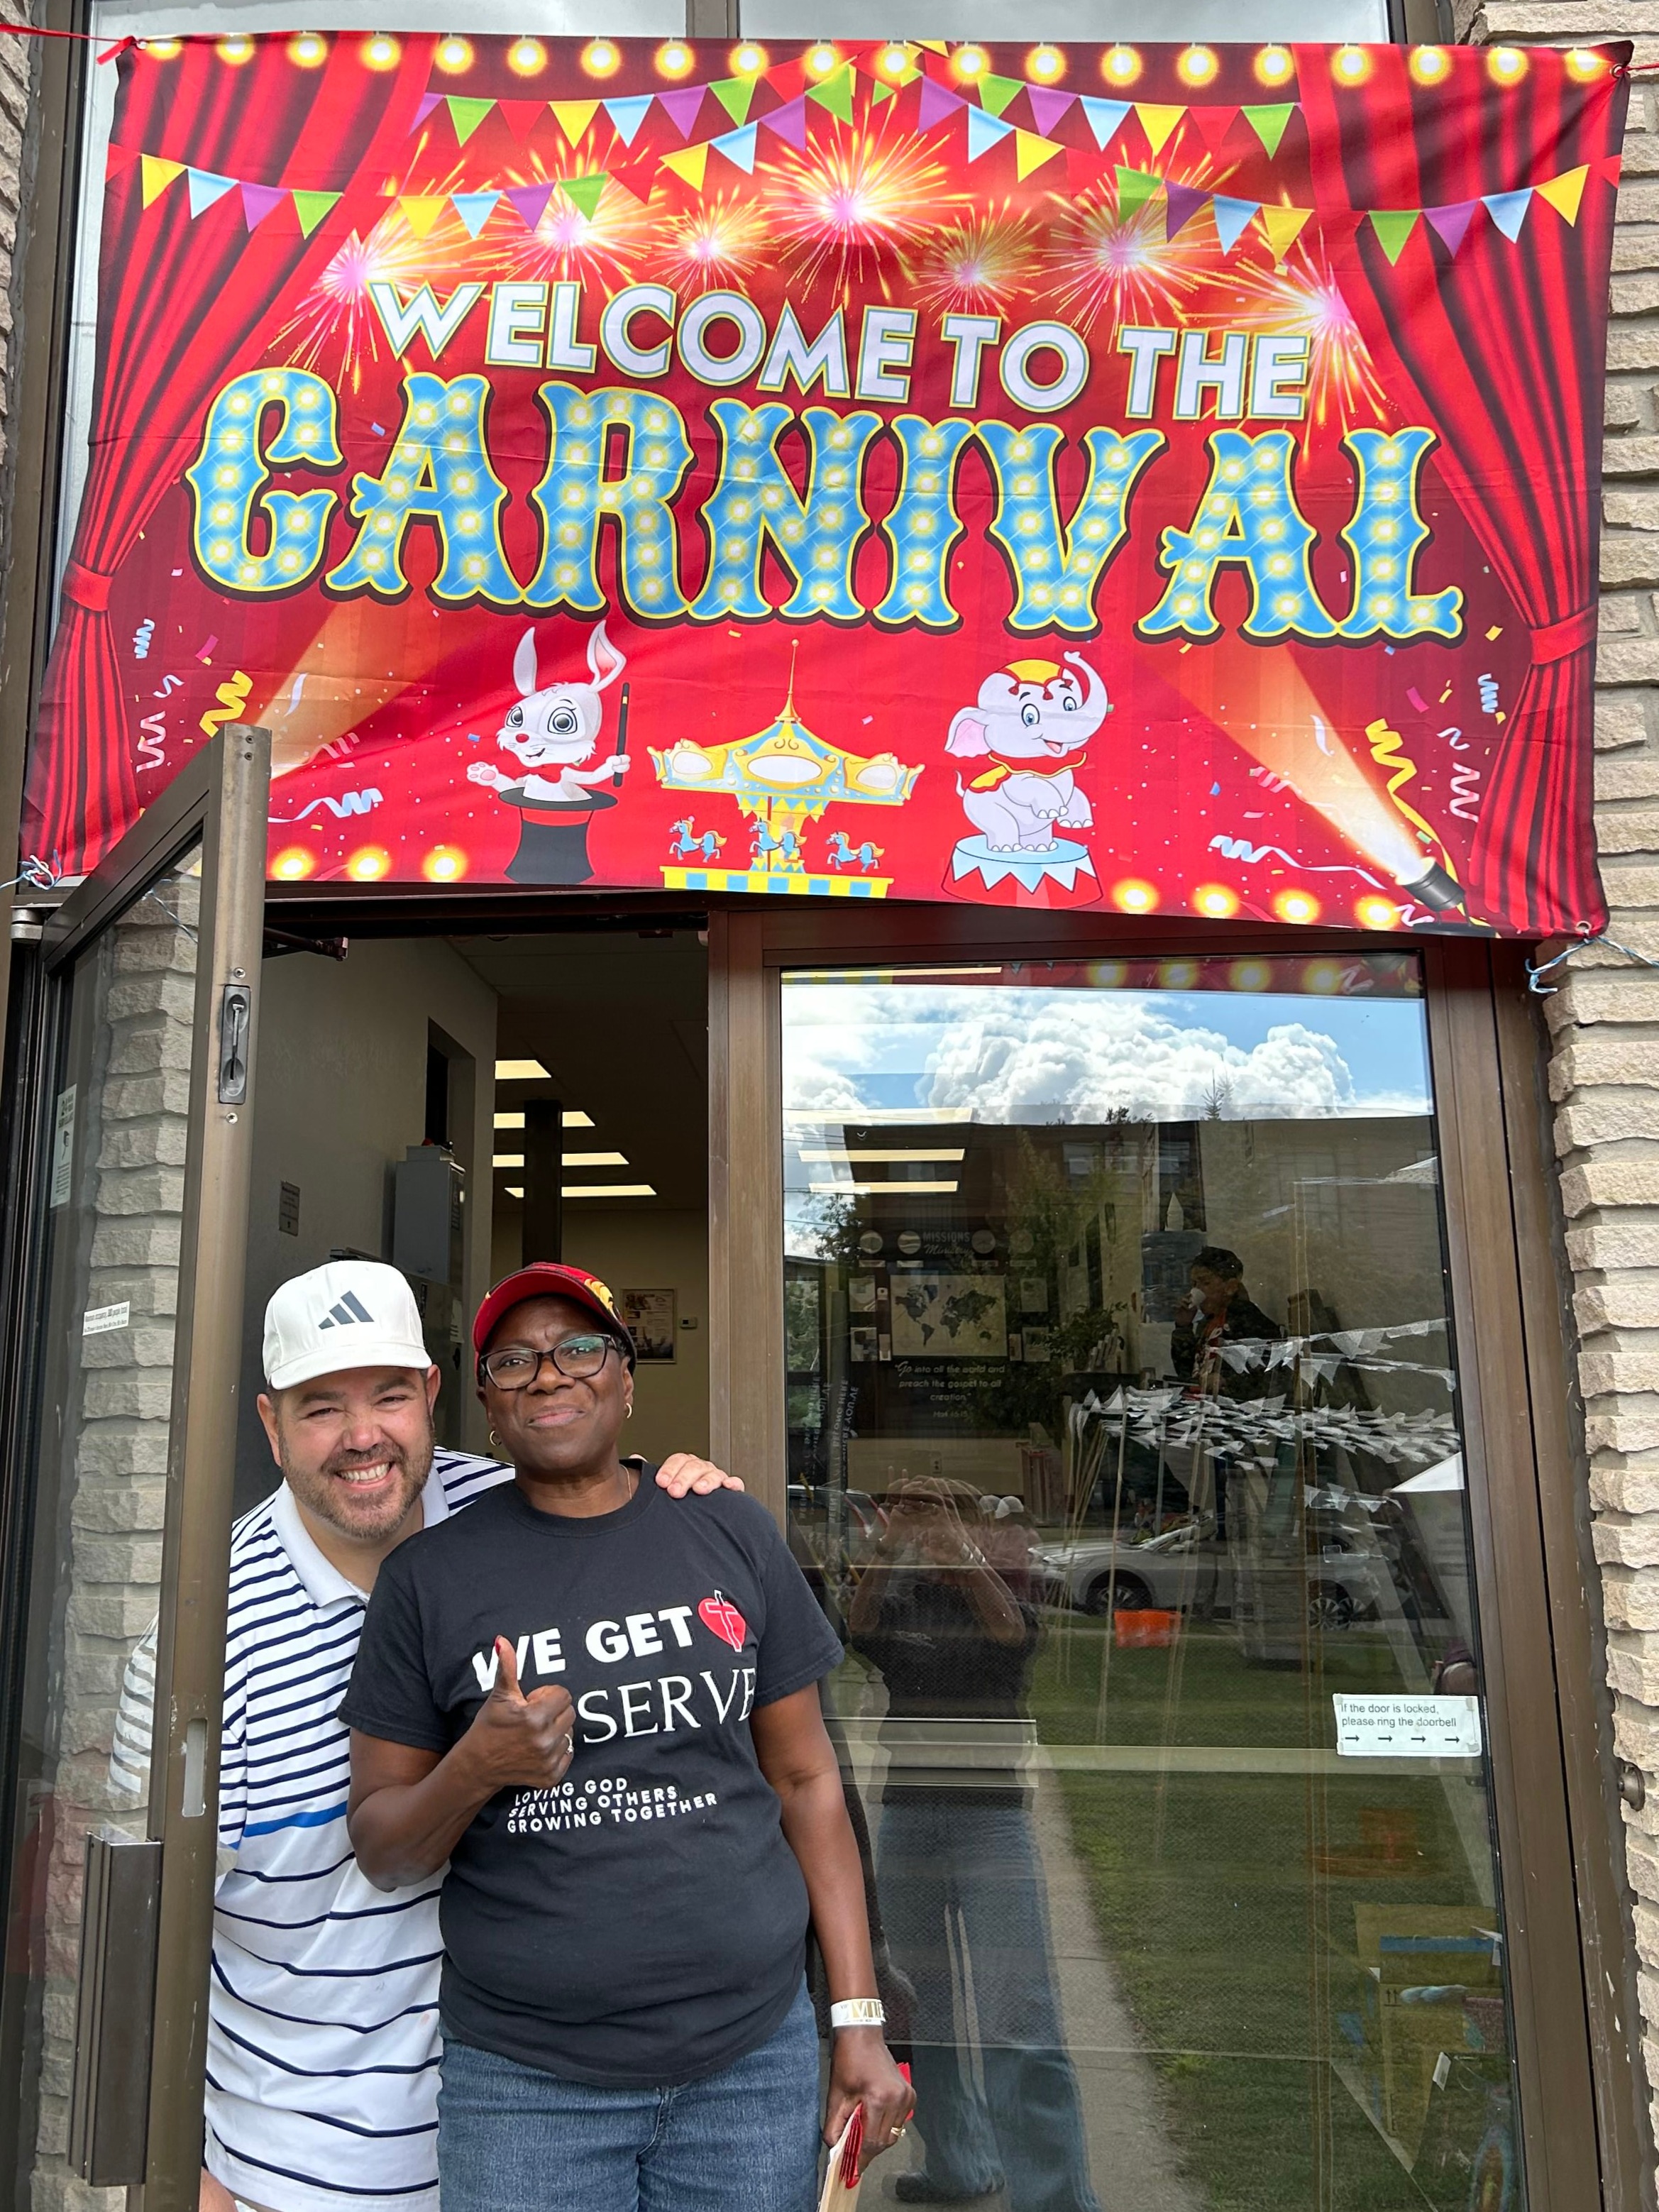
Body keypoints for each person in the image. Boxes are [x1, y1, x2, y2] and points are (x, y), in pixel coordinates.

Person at [112, 1258, 739, 2212]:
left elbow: (626, 1524)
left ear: (435, 1396)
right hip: (316, 2174)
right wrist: (183, 2169)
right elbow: (138, 1934)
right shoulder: (198, 1648)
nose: (364, 1437)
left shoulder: (510, 1510)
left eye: (390, 1396)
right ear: (270, 1425)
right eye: (321, 1406)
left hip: (559, 2134)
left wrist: (688, 1493)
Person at [342, 1262, 914, 2212]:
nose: (548, 1375)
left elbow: (809, 1782)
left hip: (749, 2065)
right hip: (526, 2086)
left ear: (625, 1379)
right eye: (514, 1360)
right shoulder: (428, 1579)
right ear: (485, 1402)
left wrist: (857, 2019)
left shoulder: (726, 1530)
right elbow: (381, 1847)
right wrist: (475, 1768)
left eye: (579, 1349)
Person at [848, 1478, 1101, 2212]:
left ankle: (1056, 2200)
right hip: (908, 1812)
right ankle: (959, 2165)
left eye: (936, 1512)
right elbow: (858, 1633)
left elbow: (1012, 1637)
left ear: (969, 1523)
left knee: (1017, 2014)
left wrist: (962, 1557)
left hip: (992, 1820)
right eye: (909, 1509)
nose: (921, 1524)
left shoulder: (1001, 1585)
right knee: (916, 2008)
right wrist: (888, 1553)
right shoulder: (898, 1593)